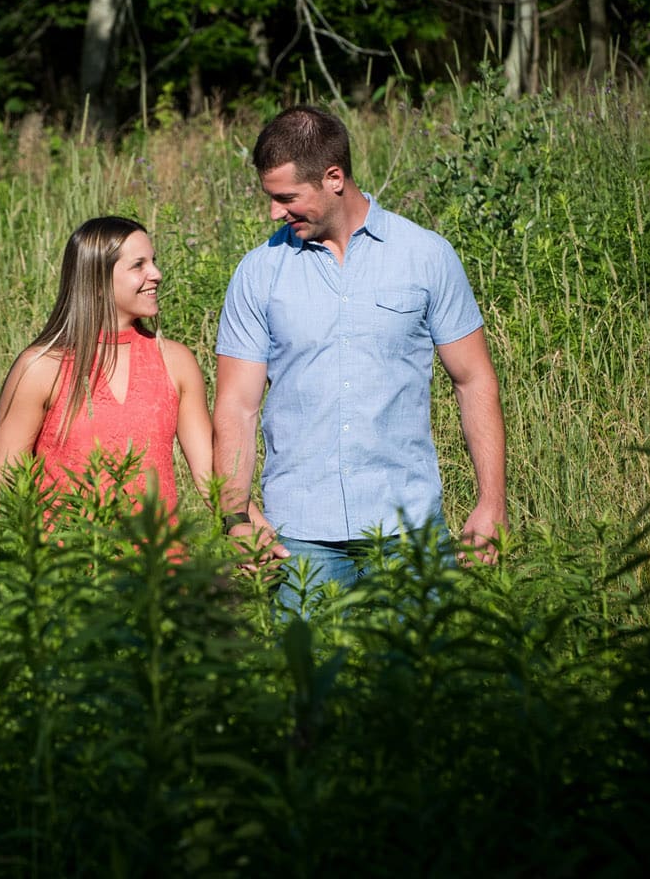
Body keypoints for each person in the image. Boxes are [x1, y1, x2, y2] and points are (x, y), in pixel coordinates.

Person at [212, 105, 506, 607]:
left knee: (414, 684)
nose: (275, 213)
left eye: (286, 198)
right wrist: (236, 513)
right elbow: (237, 405)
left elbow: (474, 379)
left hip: (408, 529)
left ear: (333, 178)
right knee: (305, 684)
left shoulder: (425, 256)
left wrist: (491, 502)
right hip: (298, 537)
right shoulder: (259, 272)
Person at [0, 216, 213, 527]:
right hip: (68, 565)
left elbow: (211, 475)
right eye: (138, 265)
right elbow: (2, 483)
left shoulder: (176, 361)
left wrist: (247, 527)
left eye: (153, 262)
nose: (156, 274)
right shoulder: (41, 367)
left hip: (158, 567)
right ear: (97, 280)